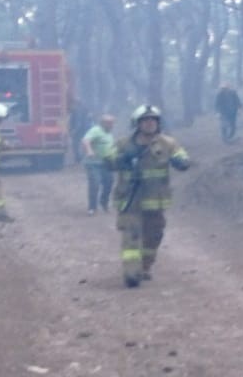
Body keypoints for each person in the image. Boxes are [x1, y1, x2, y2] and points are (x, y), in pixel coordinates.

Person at [110, 105, 191, 288]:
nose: (149, 124)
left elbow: (183, 157)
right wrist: (120, 159)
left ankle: (145, 265)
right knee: (131, 236)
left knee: (153, 236)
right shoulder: (123, 144)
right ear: (137, 124)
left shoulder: (168, 144)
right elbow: (108, 161)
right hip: (129, 200)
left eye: (153, 120)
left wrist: (181, 161)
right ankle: (131, 273)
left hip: (155, 201)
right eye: (145, 120)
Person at [81, 113, 117, 214]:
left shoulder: (109, 133)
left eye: (112, 123)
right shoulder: (96, 130)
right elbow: (85, 140)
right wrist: (89, 150)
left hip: (106, 163)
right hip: (93, 163)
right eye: (109, 123)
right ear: (103, 123)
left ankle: (104, 202)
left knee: (109, 183)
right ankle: (92, 207)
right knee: (95, 184)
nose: (111, 125)